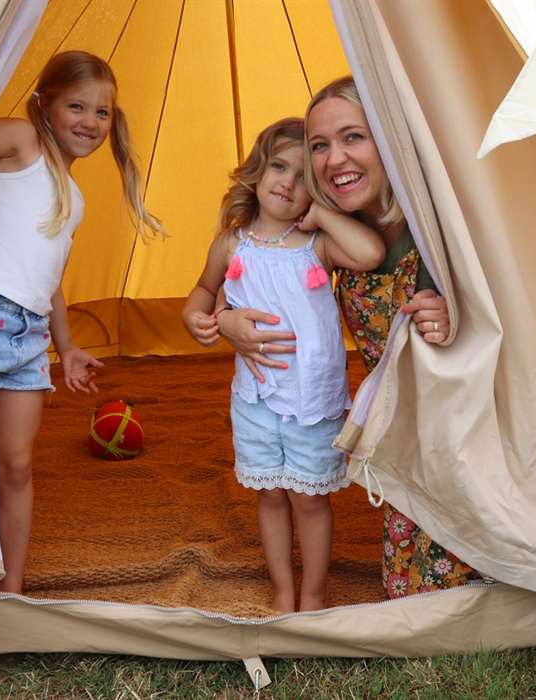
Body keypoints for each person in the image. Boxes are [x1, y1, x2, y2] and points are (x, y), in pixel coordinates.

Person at [215, 78, 481, 599]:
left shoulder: (434, 220)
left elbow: (498, 300)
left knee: (462, 580)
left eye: (353, 137)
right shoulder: (338, 225)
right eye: (320, 145)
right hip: (399, 427)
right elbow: (260, 283)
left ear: (389, 139)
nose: (335, 158)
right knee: (407, 589)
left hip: (459, 423)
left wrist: (459, 314)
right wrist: (223, 315)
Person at [0, 50, 163, 594]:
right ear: (44, 104)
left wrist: (66, 346)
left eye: (102, 113)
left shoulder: (74, 199)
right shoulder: (19, 139)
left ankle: (12, 587)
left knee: (18, 465)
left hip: (29, 339)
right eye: (77, 106)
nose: (90, 123)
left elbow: (48, 277)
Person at [182, 118, 385, 613]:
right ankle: (282, 591)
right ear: (257, 171)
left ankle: (313, 594)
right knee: (270, 496)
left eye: (303, 178)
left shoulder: (316, 245)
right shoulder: (232, 244)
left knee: (311, 500)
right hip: (253, 400)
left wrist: (323, 215)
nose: (287, 184)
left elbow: (371, 251)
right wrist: (197, 317)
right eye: (278, 167)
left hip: (312, 402)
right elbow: (205, 292)